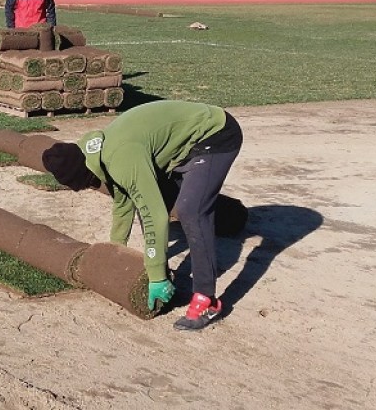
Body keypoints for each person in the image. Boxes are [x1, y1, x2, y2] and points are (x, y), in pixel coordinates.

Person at [41, 100, 243, 331]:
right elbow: (123, 202)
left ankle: (206, 299)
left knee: (190, 210)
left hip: (215, 134)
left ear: (85, 174)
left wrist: (156, 275)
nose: (92, 187)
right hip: (183, 148)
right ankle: (231, 218)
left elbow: (153, 215)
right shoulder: (98, 154)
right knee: (166, 199)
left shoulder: (122, 157)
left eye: (88, 184)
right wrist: (115, 252)